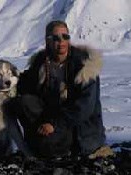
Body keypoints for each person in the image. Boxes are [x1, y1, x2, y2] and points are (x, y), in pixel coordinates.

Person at [11, 20, 111, 159]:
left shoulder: (85, 67)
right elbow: (24, 86)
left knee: (47, 146)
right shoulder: (41, 63)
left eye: (65, 37)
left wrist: (54, 124)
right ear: (47, 41)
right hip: (53, 119)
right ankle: (37, 141)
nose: (61, 41)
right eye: (56, 38)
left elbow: (84, 108)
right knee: (23, 102)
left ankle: (54, 147)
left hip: (80, 131)